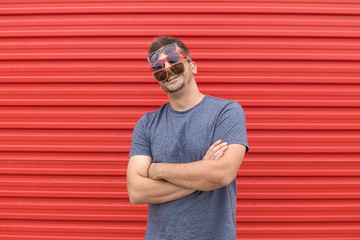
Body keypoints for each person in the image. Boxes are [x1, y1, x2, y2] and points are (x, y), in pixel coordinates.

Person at [127, 36, 249, 240]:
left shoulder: (226, 112)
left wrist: (158, 170)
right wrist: (203, 172)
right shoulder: (146, 124)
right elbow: (136, 192)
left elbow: (222, 174)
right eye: (158, 67)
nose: (167, 70)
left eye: (174, 61)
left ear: (192, 66)